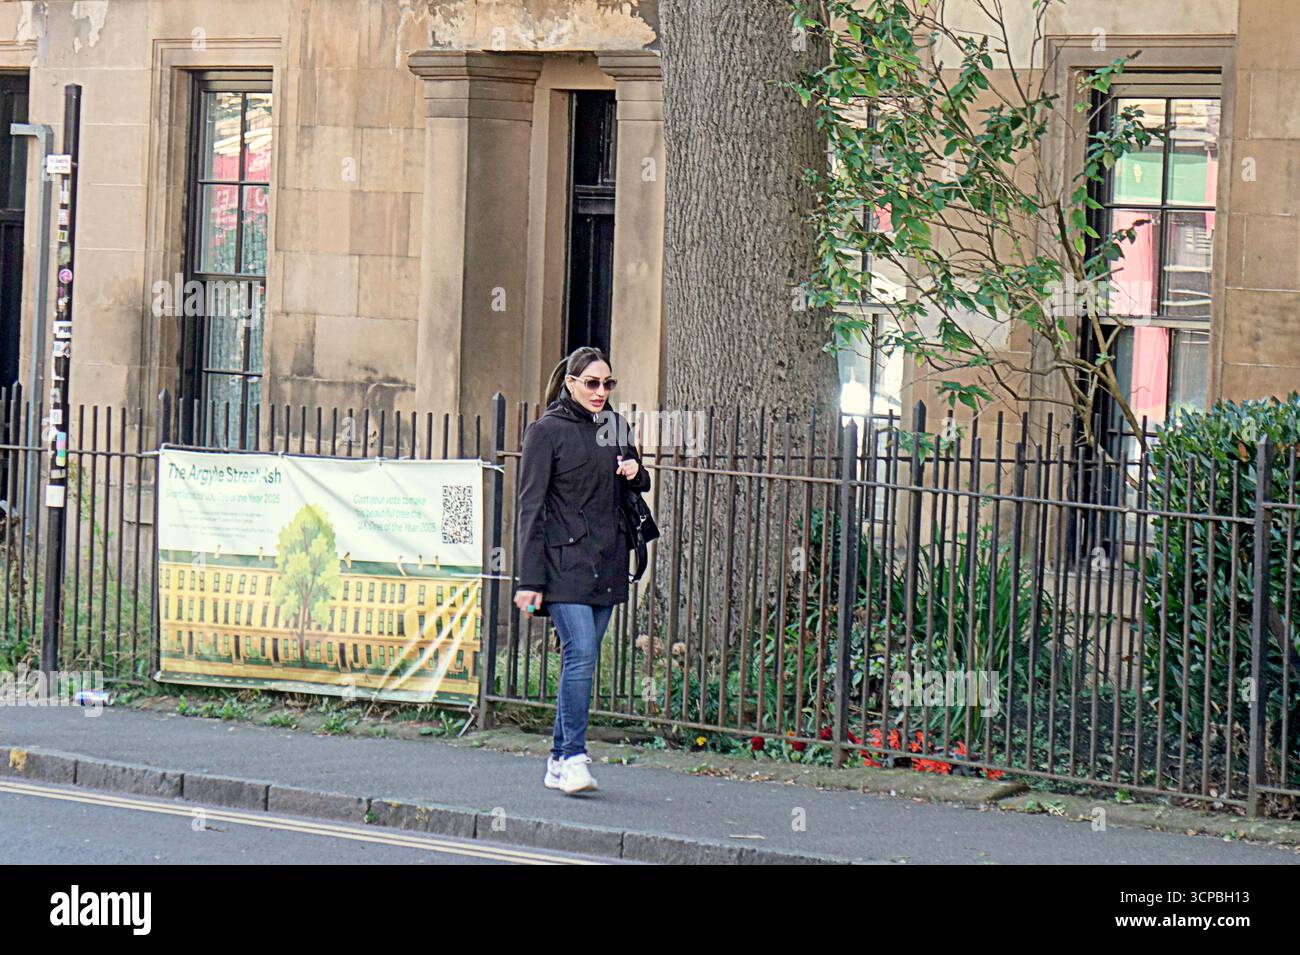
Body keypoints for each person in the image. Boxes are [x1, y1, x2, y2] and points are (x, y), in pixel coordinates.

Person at [513, 346, 651, 795]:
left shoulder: (615, 426)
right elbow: (530, 507)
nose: (600, 392)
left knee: (582, 658)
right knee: (582, 655)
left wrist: (633, 469)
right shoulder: (545, 432)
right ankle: (573, 756)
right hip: (563, 562)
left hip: (608, 559)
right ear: (570, 383)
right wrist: (529, 580)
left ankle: (556, 760)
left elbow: (638, 478)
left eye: (607, 383)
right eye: (591, 383)